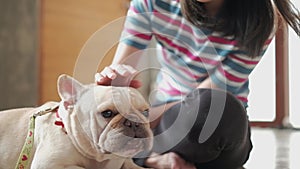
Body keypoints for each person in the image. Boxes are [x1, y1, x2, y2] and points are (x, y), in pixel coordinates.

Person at [95, 0, 300, 168]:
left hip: (218, 126)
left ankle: (143, 157)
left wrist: (137, 126)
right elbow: (119, 73)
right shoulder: (151, 4)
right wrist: (112, 86)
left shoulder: (259, 19)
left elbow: (211, 95)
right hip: (163, 118)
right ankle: (155, 159)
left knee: (210, 109)